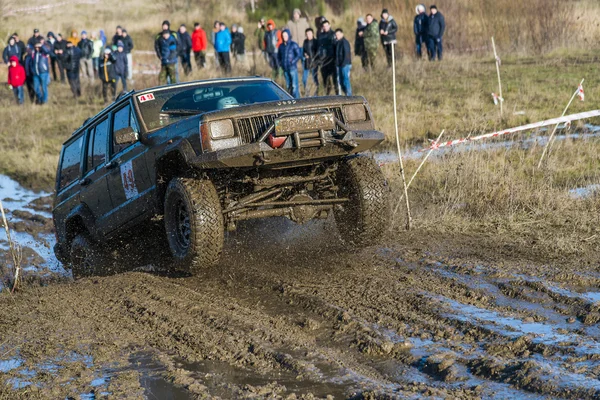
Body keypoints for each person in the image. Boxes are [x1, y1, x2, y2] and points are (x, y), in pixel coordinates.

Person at [277, 29, 302, 98]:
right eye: (283, 35)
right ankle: (291, 101)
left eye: (285, 35)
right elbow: (278, 56)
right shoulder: (281, 46)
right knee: (288, 86)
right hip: (285, 68)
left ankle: (297, 102)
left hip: (292, 68)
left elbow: (298, 55)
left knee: (294, 86)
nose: (284, 37)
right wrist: (280, 63)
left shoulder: (293, 44)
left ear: (288, 35)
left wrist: (292, 62)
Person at [317, 20, 337, 95]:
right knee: (325, 80)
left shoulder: (333, 34)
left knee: (335, 79)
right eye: (324, 26)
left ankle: (337, 94)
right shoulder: (320, 36)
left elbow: (336, 47)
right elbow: (319, 48)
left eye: (326, 26)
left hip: (332, 60)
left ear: (329, 25)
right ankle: (327, 95)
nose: (325, 27)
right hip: (323, 61)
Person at [334, 29, 352, 96]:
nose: (337, 36)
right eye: (336, 35)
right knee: (341, 81)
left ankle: (349, 95)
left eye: (338, 34)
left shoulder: (344, 42)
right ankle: (346, 94)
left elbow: (347, 53)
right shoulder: (338, 42)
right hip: (340, 64)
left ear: (342, 34)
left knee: (345, 80)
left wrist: (344, 63)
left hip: (345, 64)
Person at [302, 28, 318, 96]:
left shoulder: (316, 41)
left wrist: (315, 59)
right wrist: (304, 54)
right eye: (307, 34)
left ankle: (316, 93)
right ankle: (307, 92)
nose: (308, 35)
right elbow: (303, 51)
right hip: (307, 63)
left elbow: (318, 52)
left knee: (314, 79)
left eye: (309, 33)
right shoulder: (305, 41)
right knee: (304, 79)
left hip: (314, 63)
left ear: (312, 34)